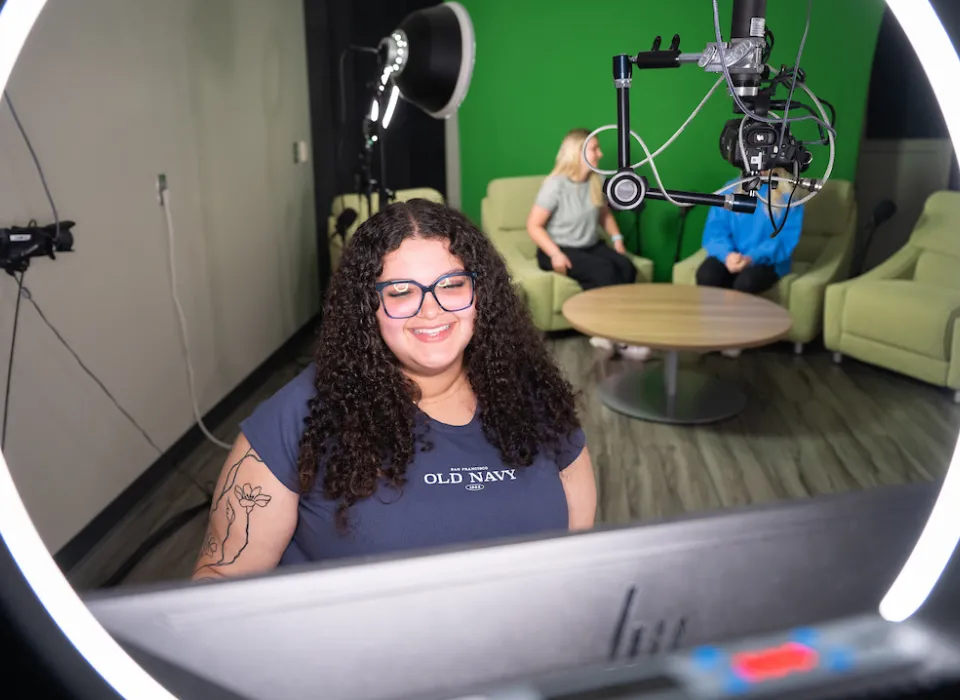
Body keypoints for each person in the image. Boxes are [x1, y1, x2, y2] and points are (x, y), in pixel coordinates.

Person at [192, 199, 596, 581]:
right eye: (401, 292)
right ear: (367, 308)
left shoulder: (538, 401)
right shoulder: (297, 418)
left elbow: (578, 564)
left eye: (452, 284)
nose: (431, 309)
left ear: (480, 294)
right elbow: (218, 582)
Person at [526, 128, 649, 360]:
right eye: (595, 149)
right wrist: (555, 254)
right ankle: (612, 334)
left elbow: (604, 214)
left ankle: (615, 331)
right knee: (604, 271)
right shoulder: (556, 185)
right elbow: (533, 225)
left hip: (590, 245)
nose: (600, 154)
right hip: (557, 249)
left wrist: (617, 239)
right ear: (577, 153)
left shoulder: (596, 180)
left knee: (626, 266)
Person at [696, 171, 804, 356]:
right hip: (731, 255)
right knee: (706, 274)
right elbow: (716, 230)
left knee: (745, 282)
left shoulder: (790, 196)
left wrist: (751, 258)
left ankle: (734, 335)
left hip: (768, 260)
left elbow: (783, 240)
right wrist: (727, 255)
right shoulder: (730, 188)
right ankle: (711, 330)